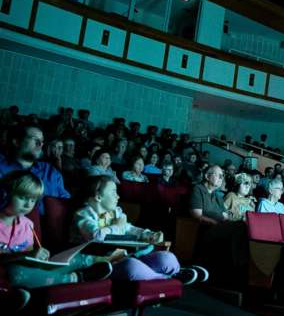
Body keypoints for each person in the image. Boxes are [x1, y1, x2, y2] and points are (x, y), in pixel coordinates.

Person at [71, 176, 204, 284]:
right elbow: (96, 236)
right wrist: (117, 226)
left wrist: (148, 235)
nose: (118, 196)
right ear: (98, 197)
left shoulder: (115, 213)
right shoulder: (83, 214)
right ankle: (171, 279)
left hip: (122, 256)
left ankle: (176, 273)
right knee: (132, 266)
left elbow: (129, 229)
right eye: (113, 192)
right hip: (100, 265)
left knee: (167, 258)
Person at [0, 171, 113, 296]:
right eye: (22, 198)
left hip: (28, 270)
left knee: (74, 258)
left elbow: (29, 258)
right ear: (5, 194)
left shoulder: (28, 224)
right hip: (8, 273)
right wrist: (23, 256)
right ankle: (74, 278)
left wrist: (38, 257)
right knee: (15, 273)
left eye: (32, 200)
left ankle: (99, 262)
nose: (28, 205)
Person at [0, 125, 71, 213]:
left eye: (42, 141)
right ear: (17, 142)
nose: (40, 144)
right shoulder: (1, 166)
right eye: (35, 139)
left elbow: (66, 201)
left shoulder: (50, 171)